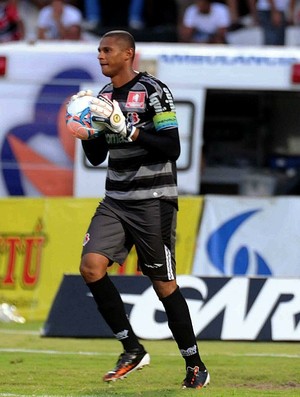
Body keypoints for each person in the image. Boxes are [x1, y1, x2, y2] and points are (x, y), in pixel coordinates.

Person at [66, 30, 210, 389]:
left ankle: (195, 365)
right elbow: (98, 157)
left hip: (153, 200)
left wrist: (129, 131)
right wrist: (86, 133)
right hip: (115, 199)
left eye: (107, 50)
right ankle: (131, 348)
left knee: (163, 284)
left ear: (128, 54)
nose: (100, 56)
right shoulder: (100, 98)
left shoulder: (153, 92)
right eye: (99, 50)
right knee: (91, 266)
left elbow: (172, 147)